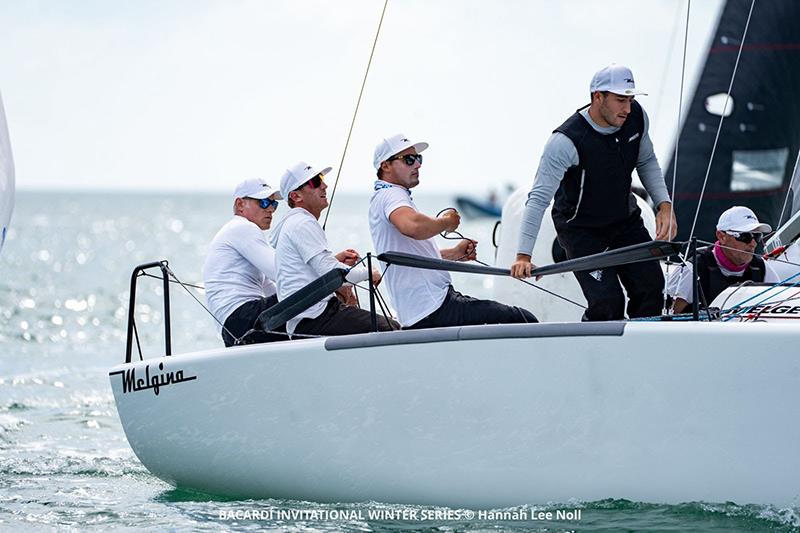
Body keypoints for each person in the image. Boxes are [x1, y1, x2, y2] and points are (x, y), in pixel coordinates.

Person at [511, 64, 678, 321]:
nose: (627, 108)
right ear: (597, 97)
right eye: (620, 100)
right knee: (608, 302)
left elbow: (646, 161)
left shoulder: (637, 118)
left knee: (651, 289)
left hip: (624, 220)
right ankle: (596, 354)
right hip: (582, 230)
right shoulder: (565, 141)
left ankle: (641, 352)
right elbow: (538, 200)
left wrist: (664, 205)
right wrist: (524, 255)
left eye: (631, 100)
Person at [370, 133, 538, 329]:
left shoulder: (385, 196)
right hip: (434, 308)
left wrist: (454, 253)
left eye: (418, 159)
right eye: (409, 159)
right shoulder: (391, 194)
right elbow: (413, 226)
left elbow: (412, 255)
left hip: (425, 310)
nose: (417, 164)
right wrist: (446, 223)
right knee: (523, 319)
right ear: (386, 166)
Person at [269, 161, 398, 337]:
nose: (324, 185)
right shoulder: (302, 222)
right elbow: (334, 275)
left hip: (307, 318)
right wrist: (370, 272)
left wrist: (337, 262)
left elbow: (316, 271)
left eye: (321, 179)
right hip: (314, 318)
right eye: (315, 182)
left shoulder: (294, 223)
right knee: (392, 329)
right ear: (295, 196)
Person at [203, 178, 285, 346]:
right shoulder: (242, 228)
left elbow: (274, 288)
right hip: (243, 319)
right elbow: (282, 273)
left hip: (233, 328)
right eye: (263, 202)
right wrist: (328, 274)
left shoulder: (237, 232)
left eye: (273, 204)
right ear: (240, 204)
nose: (270, 209)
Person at [668, 206, 779, 312]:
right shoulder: (693, 269)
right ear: (721, 236)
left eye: (757, 236)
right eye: (745, 236)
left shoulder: (762, 268)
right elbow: (667, 318)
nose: (753, 243)